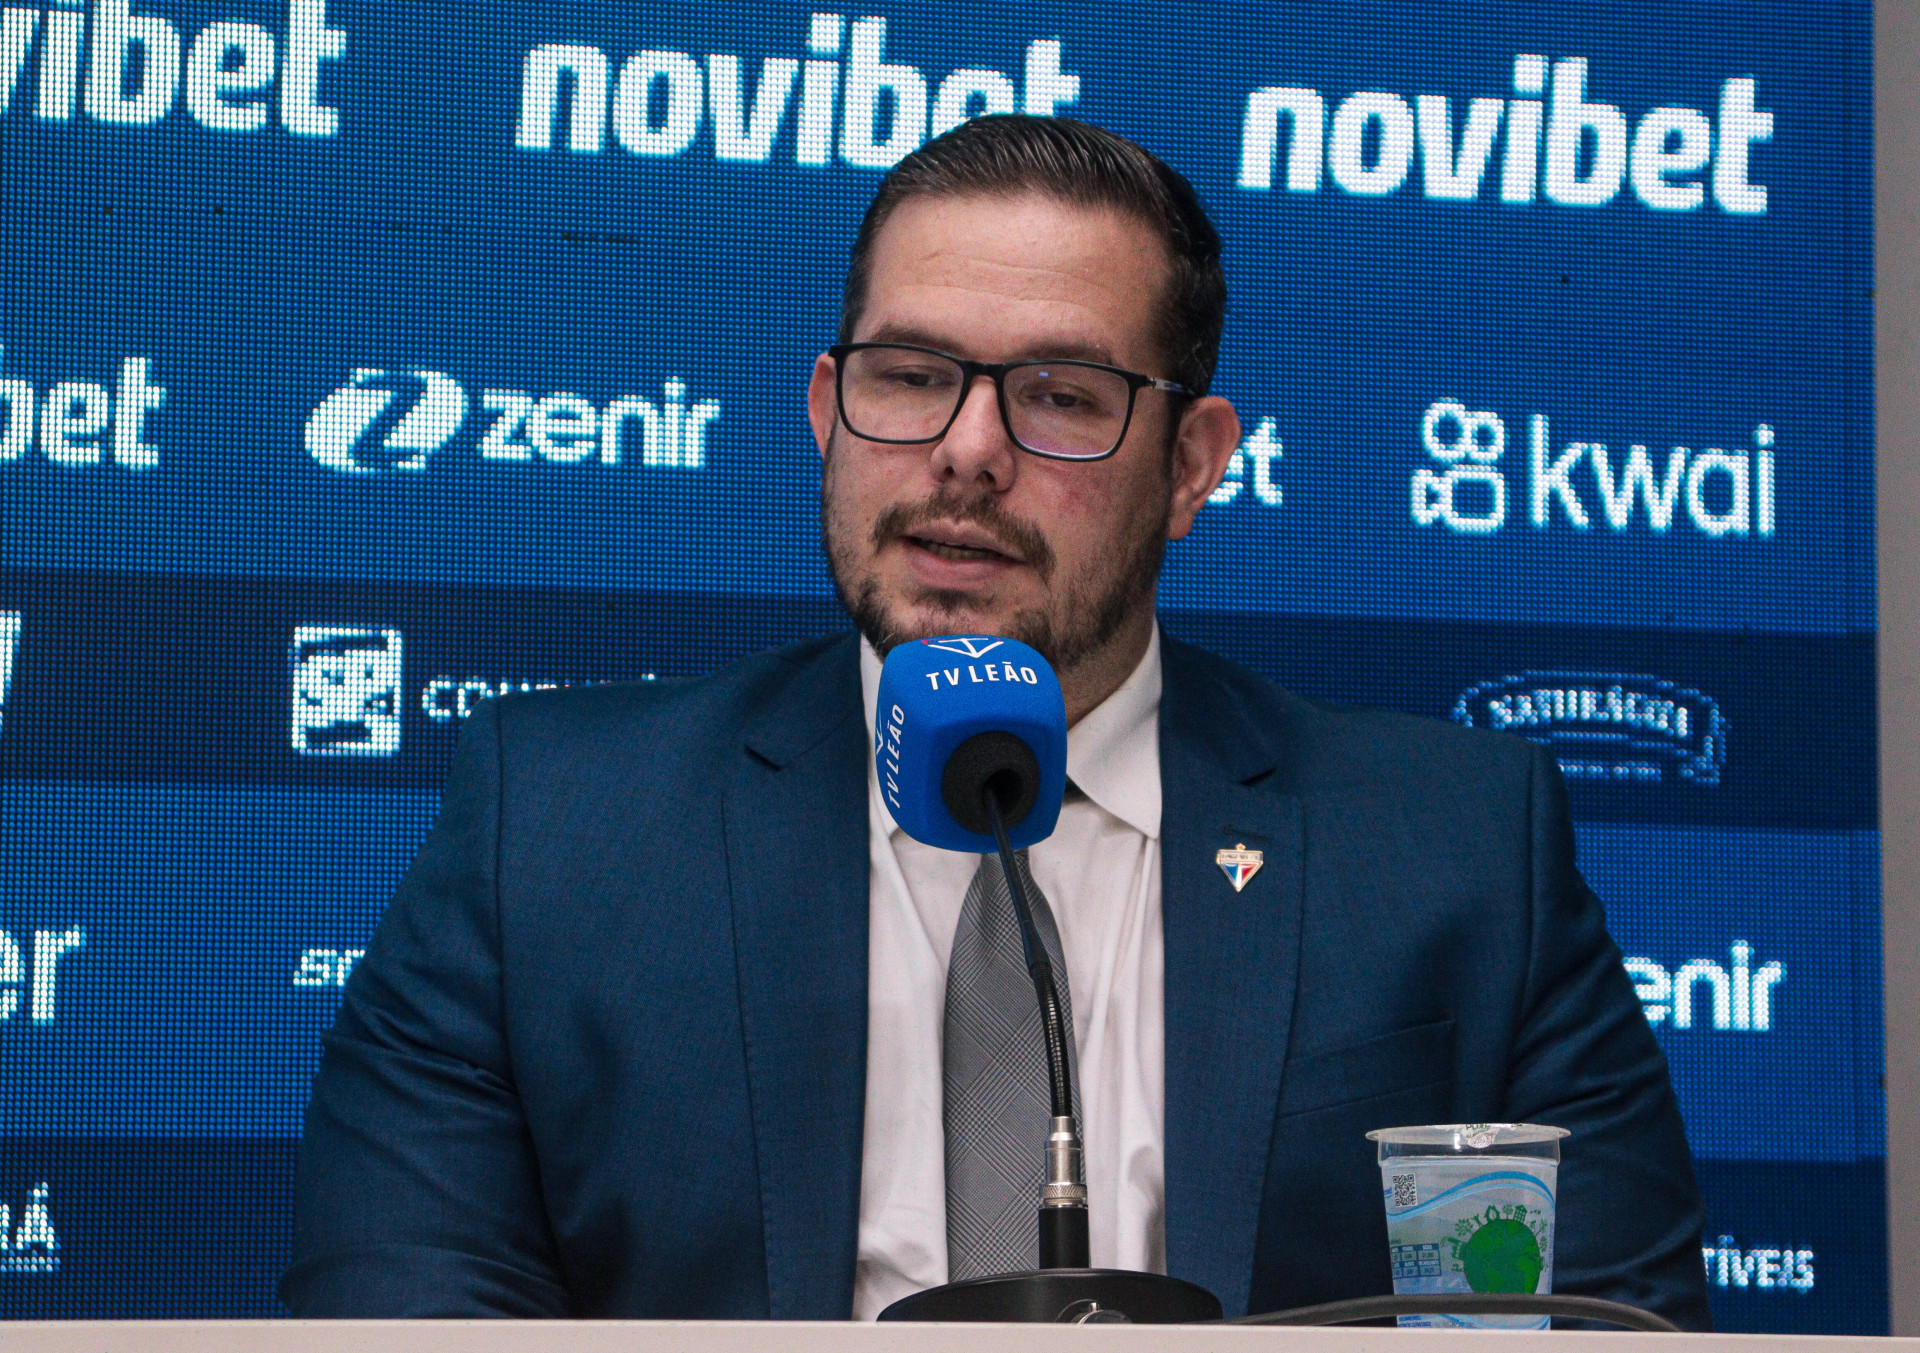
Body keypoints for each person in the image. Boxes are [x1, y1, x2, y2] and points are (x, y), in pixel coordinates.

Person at [282, 115, 1712, 1326]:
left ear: (1192, 463)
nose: (966, 452)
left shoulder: (1461, 854)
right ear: (828, 410)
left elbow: (1614, 1329)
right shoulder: (551, 835)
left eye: (1061, 397)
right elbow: (400, 1314)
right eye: (911, 378)